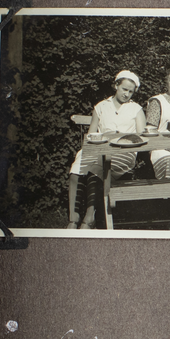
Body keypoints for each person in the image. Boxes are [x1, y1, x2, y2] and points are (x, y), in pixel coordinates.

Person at [65, 70, 146, 228]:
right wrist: (97, 142)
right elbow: (91, 135)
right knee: (76, 170)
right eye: (124, 89)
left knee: (96, 170)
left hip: (123, 152)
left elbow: (141, 138)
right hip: (99, 148)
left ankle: (89, 219)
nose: (126, 94)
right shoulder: (101, 107)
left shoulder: (136, 109)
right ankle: (73, 219)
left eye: (130, 91)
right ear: (116, 86)